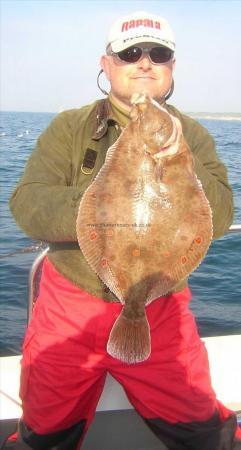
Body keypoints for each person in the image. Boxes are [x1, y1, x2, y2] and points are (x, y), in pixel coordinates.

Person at [8, 10, 241, 450]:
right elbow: (27, 204)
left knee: (203, 429)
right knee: (46, 431)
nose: (145, 62)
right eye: (130, 52)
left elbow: (221, 213)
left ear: (172, 67)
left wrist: (178, 157)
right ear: (107, 63)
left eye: (159, 53)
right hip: (69, 312)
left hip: (162, 309)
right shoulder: (69, 127)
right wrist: (105, 202)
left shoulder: (191, 135)